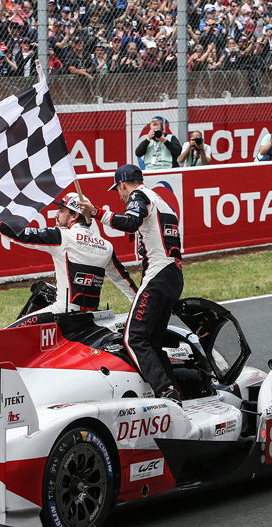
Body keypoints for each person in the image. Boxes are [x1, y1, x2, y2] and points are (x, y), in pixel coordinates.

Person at [78, 164, 184, 405]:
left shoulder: (139, 195)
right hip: (174, 274)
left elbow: (130, 222)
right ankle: (175, 393)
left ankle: (166, 391)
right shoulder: (159, 198)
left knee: (133, 337)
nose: (120, 195)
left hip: (159, 272)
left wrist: (96, 212)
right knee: (152, 340)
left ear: (123, 184)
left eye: (118, 190)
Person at [0, 192, 138, 327]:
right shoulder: (106, 245)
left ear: (73, 216)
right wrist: (142, 311)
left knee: (7, 335)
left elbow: (19, 234)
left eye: (61, 210)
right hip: (93, 318)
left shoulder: (62, 236)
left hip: (63, 315)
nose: (56, 214)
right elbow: (124, 281)